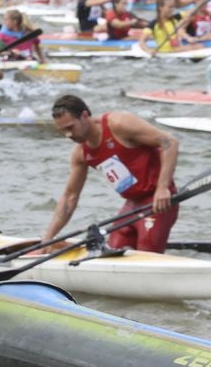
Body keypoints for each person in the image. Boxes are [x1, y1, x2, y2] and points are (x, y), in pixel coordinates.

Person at [39, 95, 181, 253]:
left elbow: (169, 142)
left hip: (158, 201)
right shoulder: (80, 154)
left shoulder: (119, 124)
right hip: (132, 204)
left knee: (147, 252)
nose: (68, 135)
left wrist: (163, 188)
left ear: (85, 116)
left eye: (70, 127)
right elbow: (70, 197)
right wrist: (48, 238)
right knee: (114, 250)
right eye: (63, 130)